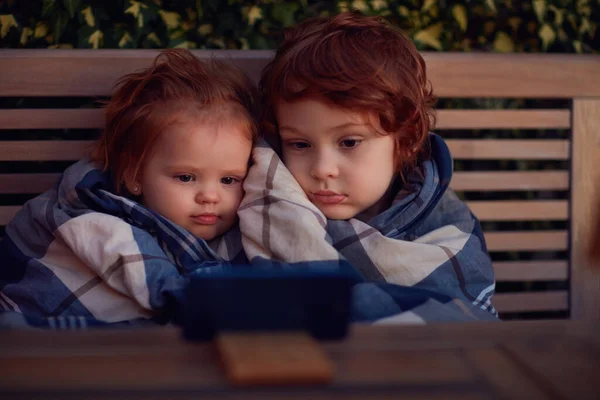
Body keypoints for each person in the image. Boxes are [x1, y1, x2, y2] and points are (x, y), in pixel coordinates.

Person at [239, 11, 497, 319]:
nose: (322, 169)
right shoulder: (274, 203)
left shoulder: (443, 228)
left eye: (349, 142)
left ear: (405, 140)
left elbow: (463, 318)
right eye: (300, 144)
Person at [0, 49, 259, 327]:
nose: (209, 196)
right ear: (133, 174)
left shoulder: (245, 236)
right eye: (185, 177)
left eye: (229, 180)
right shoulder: (94, 220)